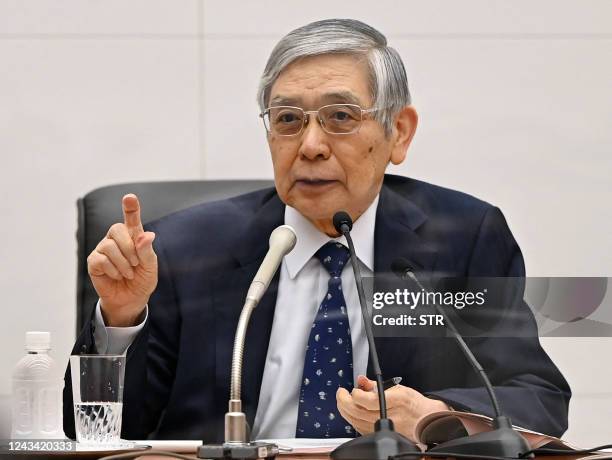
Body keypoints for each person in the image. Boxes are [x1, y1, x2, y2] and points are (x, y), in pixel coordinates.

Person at [64, 19, 570, 442]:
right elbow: (89, 433)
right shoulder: (182, 248)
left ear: (399, 132)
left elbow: (536, 398)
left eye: (340, 117)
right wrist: (122, 317)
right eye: (287, 119)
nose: (309, 145)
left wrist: (434, 419)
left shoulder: (462, 238)